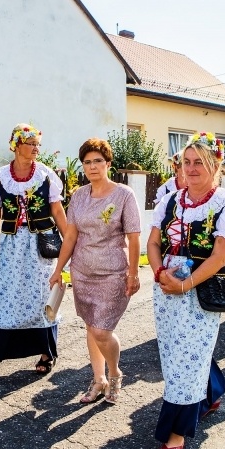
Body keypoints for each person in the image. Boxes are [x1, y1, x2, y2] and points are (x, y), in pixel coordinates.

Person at [147, 132, 225, 449]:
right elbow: (154, 243)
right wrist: (161, 274)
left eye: (198, 162)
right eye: (186, 162)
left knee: (190, 357)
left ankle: (175, 434)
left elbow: (219, 258)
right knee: (174, 354)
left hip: (200, 292)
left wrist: (185, 285)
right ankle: (211, 393)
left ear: (214, 164)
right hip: (166, 289)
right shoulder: (170, 200)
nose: (190, 168)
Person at [0, 123, 67, 376]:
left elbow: (58, 212)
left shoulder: (45, 175)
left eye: (38, 144)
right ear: (16, 145)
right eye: (31, 144)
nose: (36, 149)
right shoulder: (0, 176)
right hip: (10, 245)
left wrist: (69, 245)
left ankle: (46, 353)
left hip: (40, 246)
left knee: (41, 296)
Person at [49, 138, 142, 405]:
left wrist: (133, 273)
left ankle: (114, 375)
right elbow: (70, 236)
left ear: (108, 164)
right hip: (82, 272)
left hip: (113, 273)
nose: (92, 166)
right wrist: (59, 269)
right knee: (91, 326)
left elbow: (134, 238)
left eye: (97, 161)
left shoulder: (124, 195)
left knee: (102, 331)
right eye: (87, 162)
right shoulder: (79, 196)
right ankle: (98, 379)